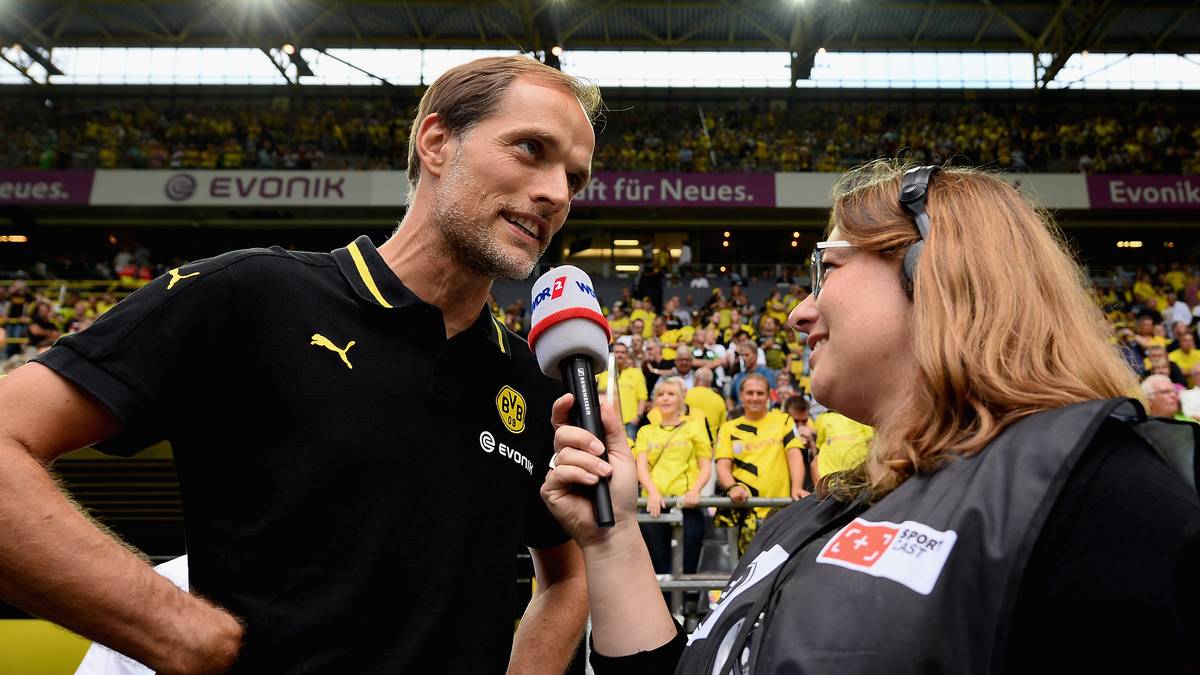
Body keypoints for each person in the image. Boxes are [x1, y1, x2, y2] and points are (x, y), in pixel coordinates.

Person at [0, 55, 599, 673]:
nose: (556, 193)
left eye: (574, 179)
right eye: (530, 148)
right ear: (438, 141)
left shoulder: (532, 381)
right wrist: (180, 633)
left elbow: (567, 576)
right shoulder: (250, 293)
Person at [541, 162, 1200, 673]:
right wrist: (614, 537)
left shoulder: (1101, 499)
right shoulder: (813, 515)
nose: (801, 312)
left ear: (936, 272)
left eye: (827, 269)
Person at [712, 373, 809, 555]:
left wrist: (797, 487)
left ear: (768, 395)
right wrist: (732, 486)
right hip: (744, 512)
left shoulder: (784, 420)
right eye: (750, 393)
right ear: (741, 396)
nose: (754, 398)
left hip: (778, 512)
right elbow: (723, 466)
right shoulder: (728, 428)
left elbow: (795, 456)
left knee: (776, 571)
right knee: (742, 572)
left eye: (759, 393)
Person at [633, 377, 712, 581]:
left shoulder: (695, 427)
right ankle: (664, 611)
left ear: (681, 399)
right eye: (661, 394)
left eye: (671, 394)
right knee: (659, 568)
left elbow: (705, 466)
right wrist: (652, 492)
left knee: (687, 564)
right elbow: (641, 467)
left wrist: (695, 490)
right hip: (654, 506)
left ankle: (686, 610)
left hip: (687, 505)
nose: (665, 399)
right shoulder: (645, 431)